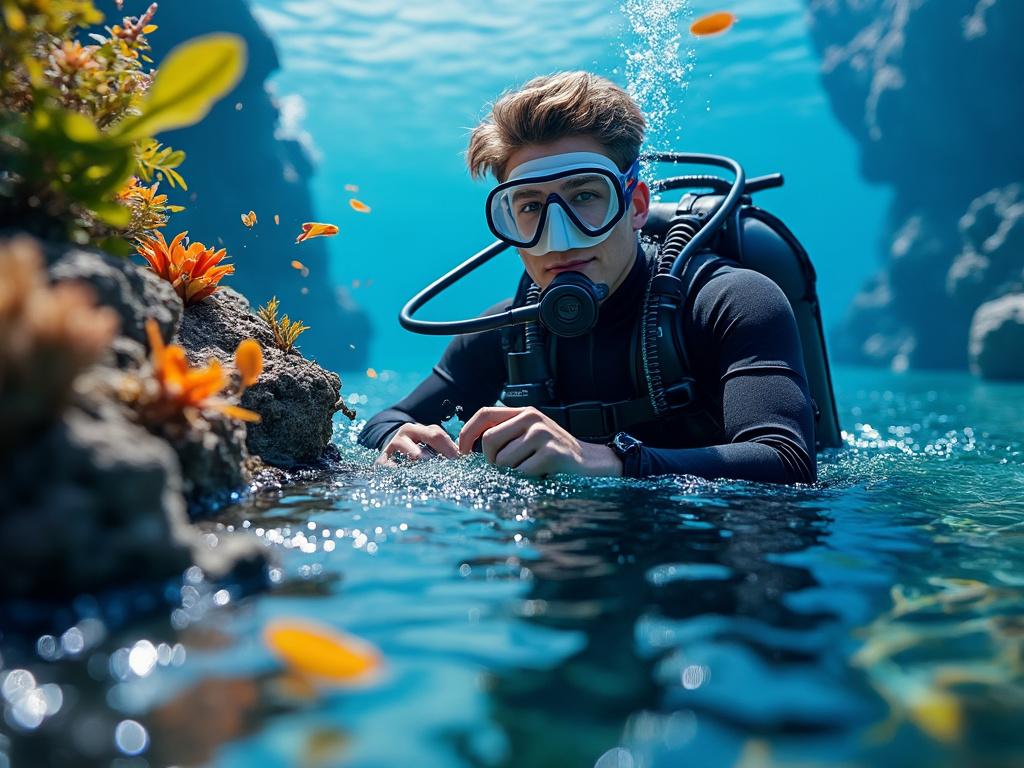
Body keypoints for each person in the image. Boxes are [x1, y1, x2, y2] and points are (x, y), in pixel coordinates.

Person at [358, 71, 817, 484]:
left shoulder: (731, 301)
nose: (558, 240)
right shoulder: (506, 332)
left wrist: (606, 461)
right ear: (510, 225)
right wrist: (398, 438)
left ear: (636, 205)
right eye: (531, 206)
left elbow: (787, 461)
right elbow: (385, 420)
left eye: (584, 196)